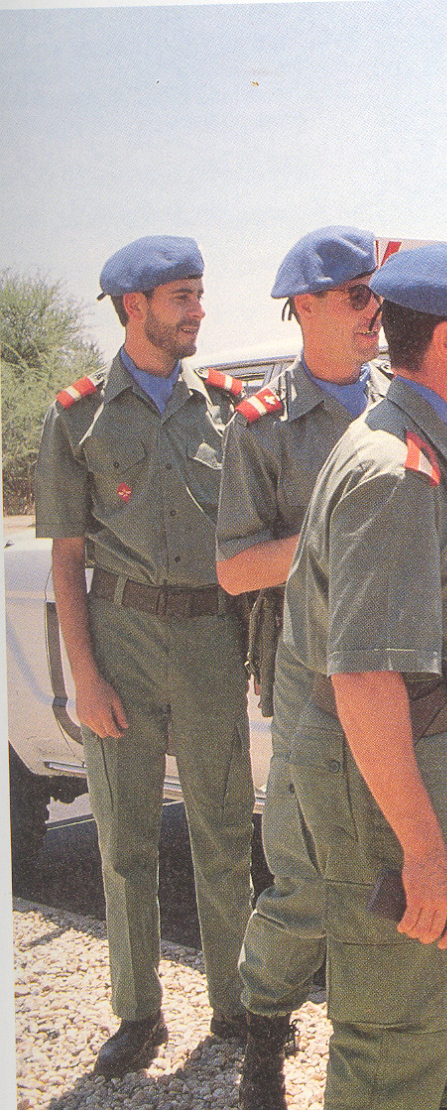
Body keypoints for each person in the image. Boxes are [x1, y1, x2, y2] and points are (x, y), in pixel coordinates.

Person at [276, 242, 447, 1110]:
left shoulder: (440, 448)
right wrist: (423, 852)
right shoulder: (396, 471)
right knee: (397, 1024)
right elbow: (364, 682)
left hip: (433, 748)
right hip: (376, 764)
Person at [35, 235, 256, 1076]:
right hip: (120, 642)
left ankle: (235, 1006)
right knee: (125, 840)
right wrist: (83, 679)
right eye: (182, 298)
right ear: (135, 307)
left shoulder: (231, 407)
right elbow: (65, 559)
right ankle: (138, 1014)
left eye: (199, 295)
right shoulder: (79, 414)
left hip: (208, 641)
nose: (198, 311)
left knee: (224, 833)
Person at [216, 225, 387, 1109]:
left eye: (378, 296)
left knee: (402, 858)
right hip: (311, 670)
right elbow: (237, 568)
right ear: (308, 308)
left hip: (409, 671)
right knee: (306, 873)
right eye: (357, 297)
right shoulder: (261, 425)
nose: (375, 313)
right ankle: (265, 1031)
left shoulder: (403, 398)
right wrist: (332, 537)